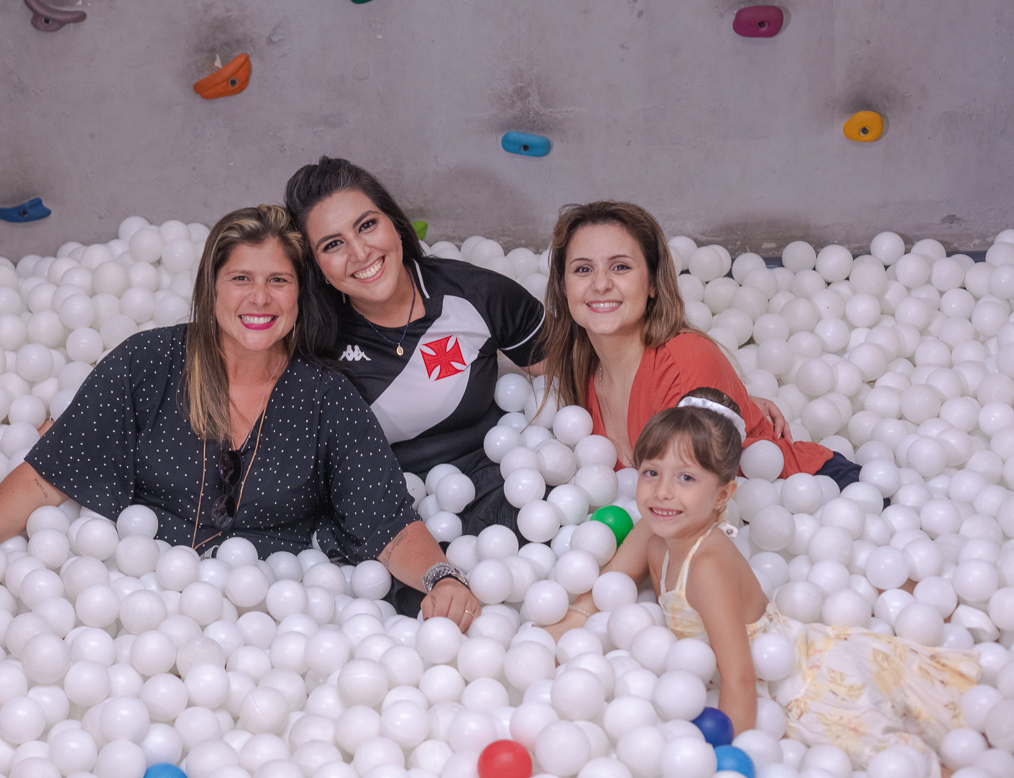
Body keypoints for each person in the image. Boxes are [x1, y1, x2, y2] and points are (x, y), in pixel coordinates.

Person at [0, 205, 480, 630]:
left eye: (278, 281)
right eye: (241, 279)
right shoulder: (148, 362)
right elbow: (48, 474)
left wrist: (441, 577)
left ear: (300, 296)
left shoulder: (326, 396)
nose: (260, 298)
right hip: (131, 601)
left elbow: (387, 521)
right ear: (211, 289)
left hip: (275, 615)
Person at [611, 388, 978, 775]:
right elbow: (611, 582)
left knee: (894, 758)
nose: (663, 491)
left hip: (792, 682)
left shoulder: (707, 567)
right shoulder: (657, 541)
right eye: (651, 472)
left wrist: (728, 761)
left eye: (686, 477)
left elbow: (739, 676)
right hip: (759, 663)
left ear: (722, 496)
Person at [541, 199, 862, 636]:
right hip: (722, 539)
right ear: (563, 287)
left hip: (808, 507)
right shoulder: (583, 370)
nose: (600, 284)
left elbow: (677, 497)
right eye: (582, 270)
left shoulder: (684, 358)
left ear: (653, 283)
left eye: (620, 267)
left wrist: (579, 611)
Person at [283, 157, 547, 540]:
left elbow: (573, 384)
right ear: (316, 266)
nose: (360, 253)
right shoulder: (309, 343)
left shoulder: (479, 295)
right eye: (333, 244)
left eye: (367, 225)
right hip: (387, 517)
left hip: (505, 482)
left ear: (395, 223)